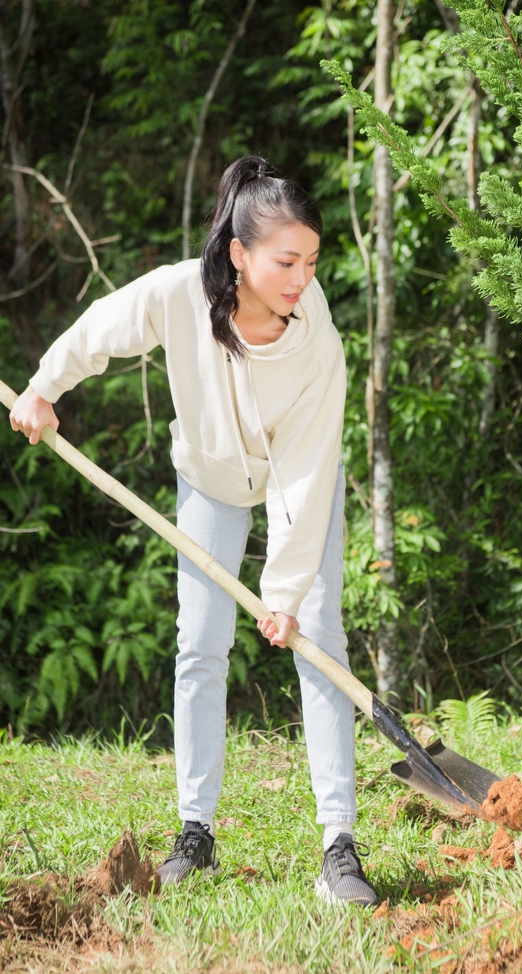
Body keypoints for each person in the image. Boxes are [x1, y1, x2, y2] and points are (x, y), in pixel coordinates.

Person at [9, 155, 378, 907]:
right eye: (285, 261)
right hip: (210, 476)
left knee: (319, 635)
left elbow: (308, 479)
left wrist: (284, 593)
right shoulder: (181, 293)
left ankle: (338, 843)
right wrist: (44, 386)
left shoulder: (318, 343)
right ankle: (194, 833)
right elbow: (104, 327)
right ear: (239, 254)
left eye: (311, 261)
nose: (300, 278)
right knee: (200, 645)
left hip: (294, 484)